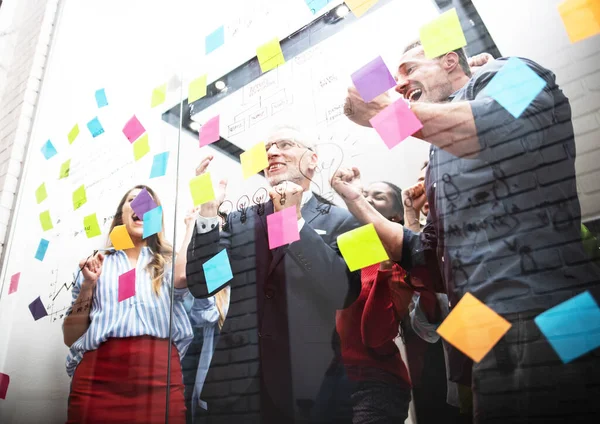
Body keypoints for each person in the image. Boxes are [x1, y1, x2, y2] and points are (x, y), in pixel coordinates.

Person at [334, 39, 600, 422]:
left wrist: (385, 112)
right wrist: (354, 201)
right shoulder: (440, 153)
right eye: (395, 78)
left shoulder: (516, 71)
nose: (400, 82)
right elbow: (429, 259)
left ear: (449, 60)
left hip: (555, 309)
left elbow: (498, 126)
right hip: (481, 330)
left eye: (409, 69)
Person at [185, 125, 361, 423]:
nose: (272, 152)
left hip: (309, 388)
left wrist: (293, 222)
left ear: (312, 159)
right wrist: (206, 214)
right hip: (236, 391)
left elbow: (344, 293)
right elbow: (204, 285)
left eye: (285, 144)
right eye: (268, 147)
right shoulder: (241, 222)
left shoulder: (347, 220)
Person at [62, 185, 194, 424]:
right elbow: (70, 336)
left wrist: (193, 226)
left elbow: (184, 280)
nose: (141, 205)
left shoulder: (170, 263)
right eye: (133, 200)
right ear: (121, 215)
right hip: (96, 381)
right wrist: (88, 286)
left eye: (148, 202)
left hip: (160, 381)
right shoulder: (95, 264)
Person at [334, 178, 414, 424]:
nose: (366, 199)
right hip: (337, 382)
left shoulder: (400, 263)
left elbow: (374, 335)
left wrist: (386, 269)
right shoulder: (358, 247)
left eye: (378, 197)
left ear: (396, 217)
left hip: (376, 384)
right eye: (364, 194)